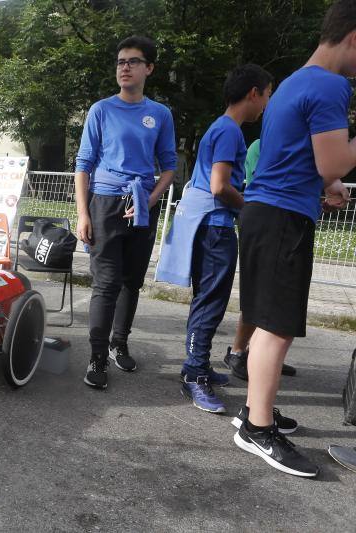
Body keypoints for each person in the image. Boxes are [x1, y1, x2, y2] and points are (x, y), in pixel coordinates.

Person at [234, 0, 355, 478]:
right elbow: (333, 162)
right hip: (281, 217)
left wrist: (325, 186)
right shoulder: (331, 84)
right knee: (278, 325)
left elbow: (299, 160)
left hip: (268, 211)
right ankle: (257, 429)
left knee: (268, 319)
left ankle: (253, 411)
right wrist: (331, 176)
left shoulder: (292, 82)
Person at [155, 64, 273, 413]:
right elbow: (220, 186)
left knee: (206, 301)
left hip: (208, 225)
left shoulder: (220, 128)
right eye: (266, 95)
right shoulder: (230, 132)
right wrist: (248, 206)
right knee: (209, 304)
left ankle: (199, 364)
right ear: (253, 93)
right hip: (215, 228)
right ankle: (194, 374)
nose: (266, 104)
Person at [74, 35, 177, 390]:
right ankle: (97, 356)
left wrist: (150, 200)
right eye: (120, 62)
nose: (125, 68)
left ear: (149, 68)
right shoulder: (101, 110)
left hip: (142, 205)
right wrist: (83, 213)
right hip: (104, 202)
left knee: (132, 281)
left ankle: (120, 342)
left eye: (133, 61)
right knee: (105, 284)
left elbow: (168, 167)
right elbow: (83, 163)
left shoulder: (160, 114)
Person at [223, 140, 297, 381]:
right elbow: (265, 181)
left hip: (284, 219)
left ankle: (263, 353)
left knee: (275, 294)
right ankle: (237, 351)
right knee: (258, 292)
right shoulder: (261, 145)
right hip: (266, 217)